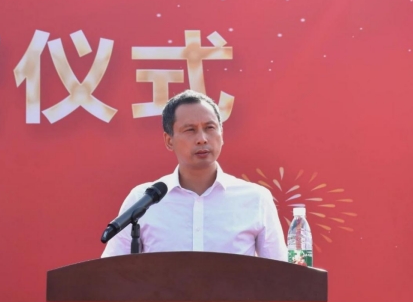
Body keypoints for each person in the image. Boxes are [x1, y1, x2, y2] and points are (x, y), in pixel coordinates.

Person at [101, 90, 287, 260]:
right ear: (169, 140)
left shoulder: (256, 199)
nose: (202, 139)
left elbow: (279, 272)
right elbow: (112, 271)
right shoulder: (142, 200)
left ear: (221, 134)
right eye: (190, 130)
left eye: (210, 128)